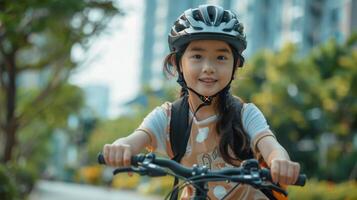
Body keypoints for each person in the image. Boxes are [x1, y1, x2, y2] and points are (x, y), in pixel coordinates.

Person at [103, 4, 300, 200]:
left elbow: (271, 146)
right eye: (197, 56)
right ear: (178, 63)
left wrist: (279, 161)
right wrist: (121, 148)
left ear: (236, 65)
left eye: (221, 57)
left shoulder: (246, 114)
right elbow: (134, 139)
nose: (208, 68)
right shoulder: (169, 117)